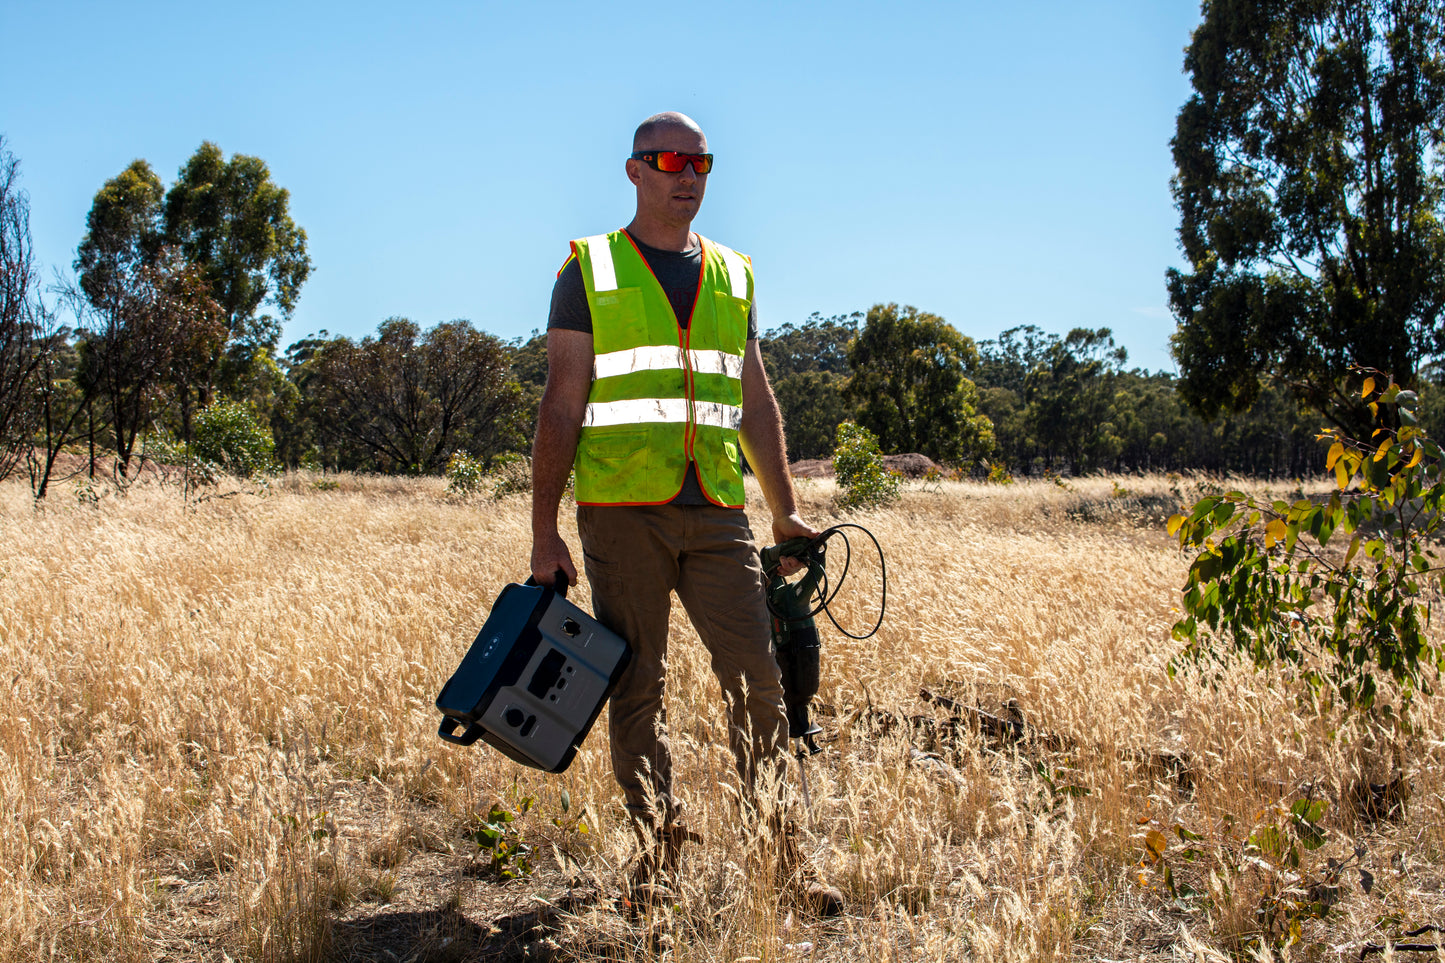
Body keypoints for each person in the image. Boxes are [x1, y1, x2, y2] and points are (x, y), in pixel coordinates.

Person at [529, 111, 841, 914]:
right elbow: (560, 406)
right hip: (620, 511)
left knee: (759, 686)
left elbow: (755, 398)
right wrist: (544, 530)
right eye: (669, 160)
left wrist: (784, 510)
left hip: (717, 513)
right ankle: (653, 868)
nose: (687, 174)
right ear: (634, 171)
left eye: (700, 161)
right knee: (636, 690)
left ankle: (786, 860)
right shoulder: (588, 269)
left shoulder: (733, 273)